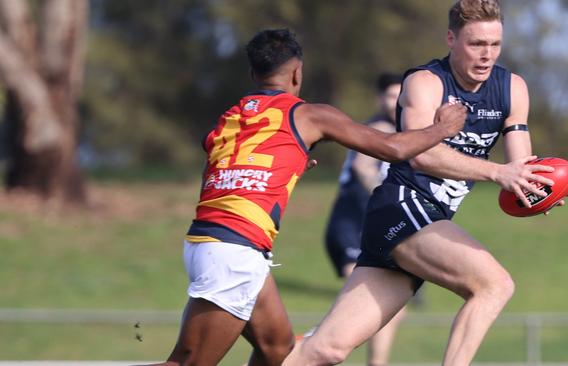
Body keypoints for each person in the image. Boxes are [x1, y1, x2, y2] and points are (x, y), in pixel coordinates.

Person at [153, 29, 466, 366]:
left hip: (213, 241)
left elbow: (223, 170)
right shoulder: (308, 114)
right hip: (234, 251)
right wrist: (442, 129)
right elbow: (392, 148)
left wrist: (288, 165)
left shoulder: (231, 117)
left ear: (252, 74)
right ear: (297, 73)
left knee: (277, 348)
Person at [281, 1, 568, 365]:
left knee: (326, 349)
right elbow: (421, 154)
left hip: (424, 223)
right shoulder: (425, 82)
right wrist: (498, 173)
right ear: (451, 38)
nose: (486, 55)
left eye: (495, 45)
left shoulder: (513, 88)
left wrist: (539, 191)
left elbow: (519, 167)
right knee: (494, 285)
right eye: (476, 44)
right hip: (401, 208)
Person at [321, 72, 406, 366]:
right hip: (350, 225)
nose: (396, 103)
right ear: (380, 98)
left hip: (375, 230)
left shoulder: (401, 134)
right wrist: (388, 199)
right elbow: (362, 166)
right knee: (364, 303)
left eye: (401, 97)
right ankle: (308, 349)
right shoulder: (378, 128)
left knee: (391, 304)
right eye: (391, 96)